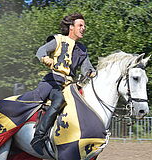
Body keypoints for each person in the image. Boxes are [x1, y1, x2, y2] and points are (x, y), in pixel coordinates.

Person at [18, 13, 96, 155]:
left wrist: (92, 73)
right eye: (80, 25)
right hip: (53, 82)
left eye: (84, 26)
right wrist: (46, 60)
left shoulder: (83, 49)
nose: (83, 28)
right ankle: (38, 137)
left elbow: (87, 68)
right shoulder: (58, 40)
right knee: (59, 100)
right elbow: (40, 51)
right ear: (71, 27)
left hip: (69, 85)